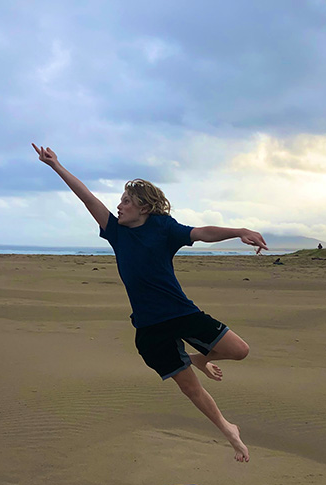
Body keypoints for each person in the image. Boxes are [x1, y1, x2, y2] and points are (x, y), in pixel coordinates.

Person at [32, 144, 267, 462]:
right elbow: (87, 197)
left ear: (143, 207)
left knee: (239, 350)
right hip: (149, 327)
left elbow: (202, 232)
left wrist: (238, 231)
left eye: (126, 201)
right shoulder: (115, 232)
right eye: (120, 200)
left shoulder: (164, 229)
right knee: (190, 388)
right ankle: (228, 429)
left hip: (181, 312)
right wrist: (56, 166)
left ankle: (196, 358)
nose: (119, 205)